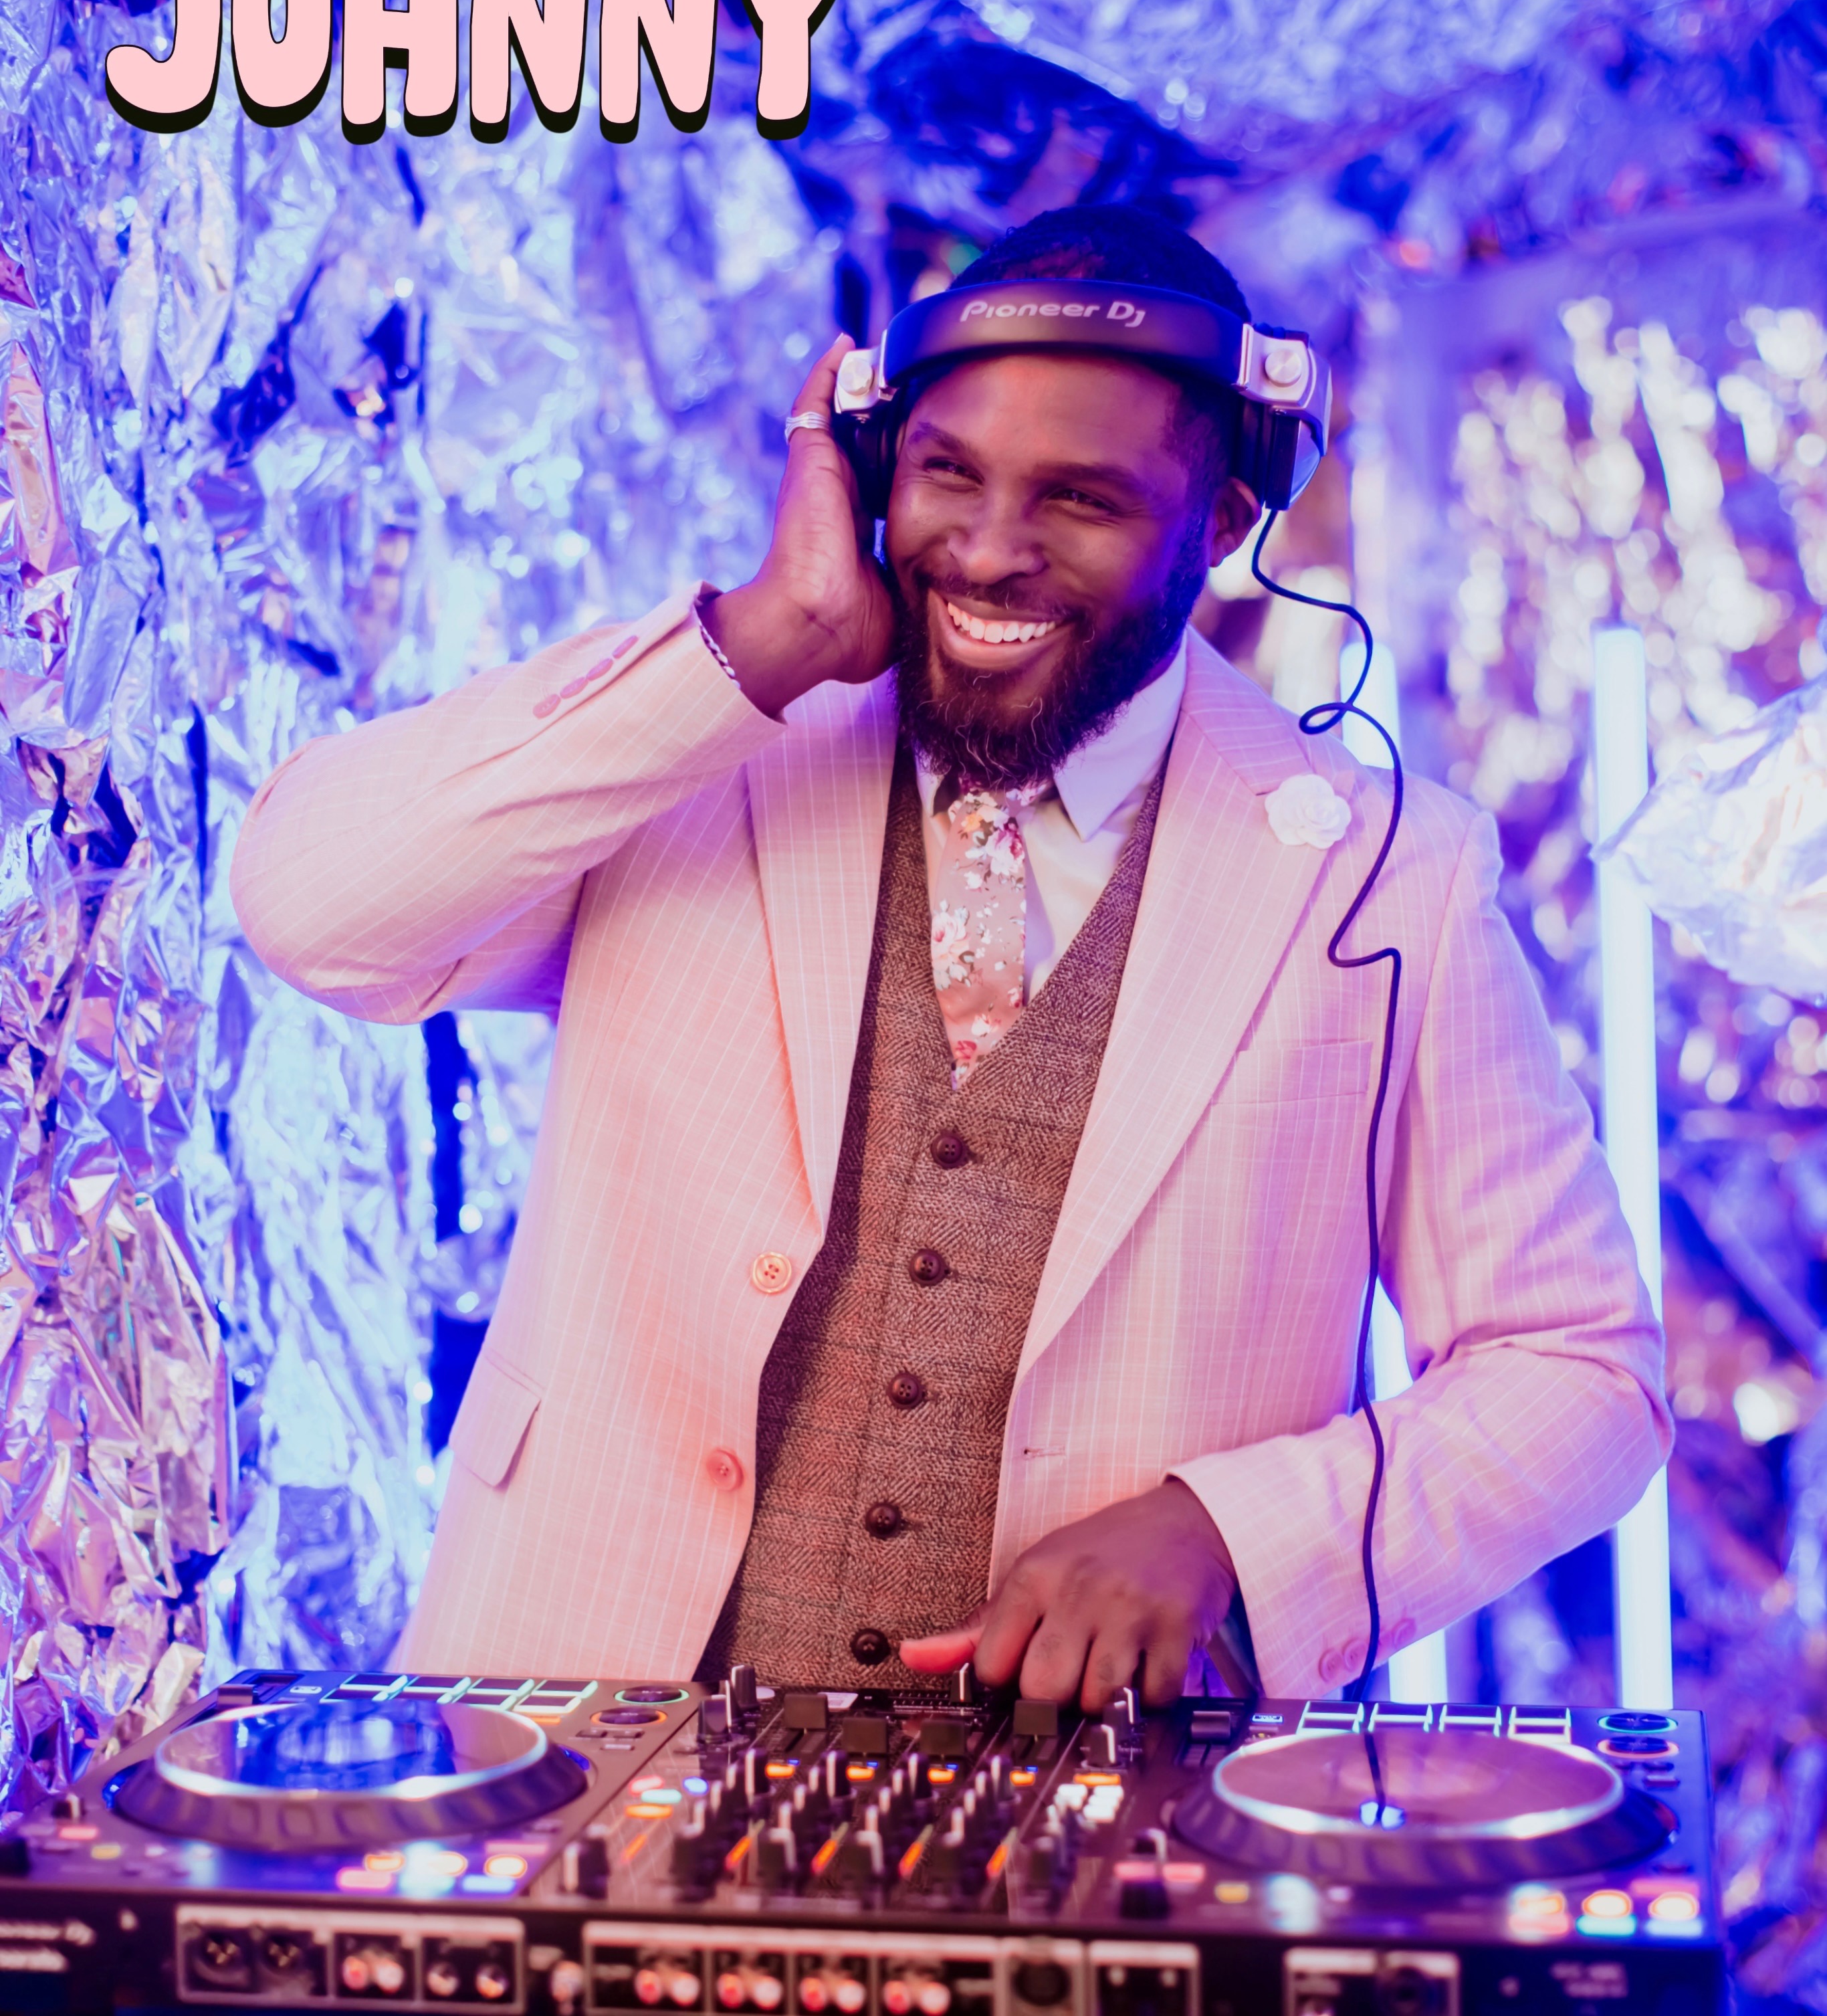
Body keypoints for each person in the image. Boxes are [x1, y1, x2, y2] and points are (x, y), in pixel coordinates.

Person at [231, 203, 1670, 1708]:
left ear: (1222, 524)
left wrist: (1230, 1537)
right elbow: (315, 905)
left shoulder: (1386, 873)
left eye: (1082, 500)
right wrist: (768, 634)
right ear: (870, 467)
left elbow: (1578, 1373)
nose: (987, 552)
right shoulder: (699, 744)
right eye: (946, 475)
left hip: (1104, 1806)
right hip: (586, 1743)